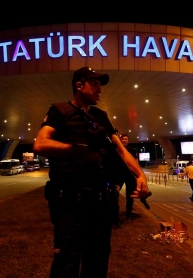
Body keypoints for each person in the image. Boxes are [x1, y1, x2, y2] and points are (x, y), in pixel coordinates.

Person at [33, 67, 149, 278]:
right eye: (94, 84)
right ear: (79, 85)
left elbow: (120, 151)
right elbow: (40, 144)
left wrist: (140, 175)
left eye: (100, 85)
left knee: (97, 264)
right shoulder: (59, 111)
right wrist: (78, 148)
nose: (100, 90)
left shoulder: (100, 116)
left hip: (100, 206)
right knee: (66, 265)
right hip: (70, 206)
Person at [117, 133, 140, 221]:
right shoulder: (117, 150)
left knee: (130, 195)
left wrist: (137, 174)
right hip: (119, 174)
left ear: (128, 140)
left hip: (130, 175)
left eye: (126, 139)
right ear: (120, 140)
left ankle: (128, 214)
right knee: (115, 194)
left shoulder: (132, 150)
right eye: (123, 139)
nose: (124, 141)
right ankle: (116, 215)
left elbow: (136, 163)